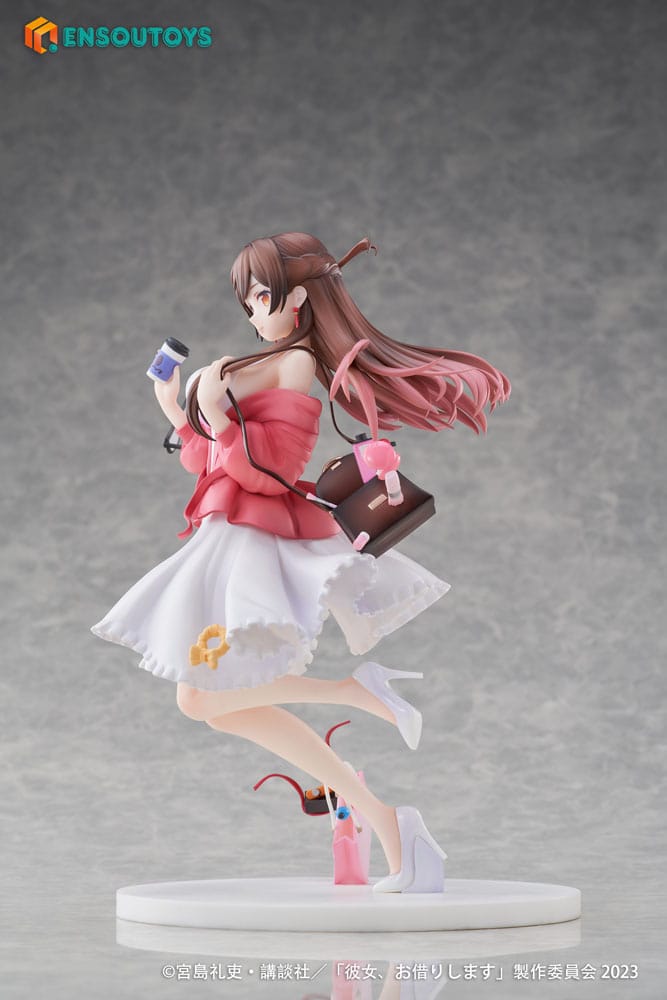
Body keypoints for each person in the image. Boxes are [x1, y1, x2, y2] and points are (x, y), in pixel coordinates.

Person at [92, 232, 510, 892]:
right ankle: (384, 814)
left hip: (250, 539)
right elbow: (209, 461)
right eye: (248, 300)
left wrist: (216, 417)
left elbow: (273, 471)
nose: (252, 311)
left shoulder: (293, 364)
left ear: (297, 298)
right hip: (228, 531)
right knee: (206, 702)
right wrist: (179, 409)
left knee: (199, 697)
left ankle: (363, 728)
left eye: (260, 296)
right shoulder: (263, 360)